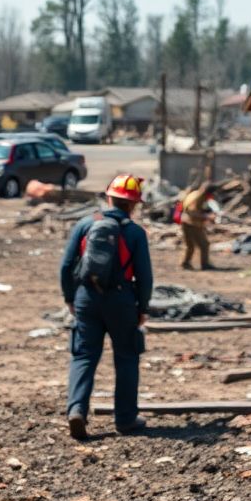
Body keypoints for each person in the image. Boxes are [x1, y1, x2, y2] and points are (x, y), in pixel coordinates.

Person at [59, 174, 153, 439]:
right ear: (133, 204)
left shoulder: (85, 225)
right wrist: (142, 307)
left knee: (84, 355)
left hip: (86, 298)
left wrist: (70, 298)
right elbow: (144, 275)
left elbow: (67, 265)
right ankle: (125, 419)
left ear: (108, 197)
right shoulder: (135, 233)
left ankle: (77, 409)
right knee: (126, 357)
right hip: (122, 301)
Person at [179, 182, 217, 270]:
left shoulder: (196, 193)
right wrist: (207, 216)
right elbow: (192, 213)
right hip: (191, 223)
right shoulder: (198, 197)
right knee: (203, 244)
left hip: (190, 222)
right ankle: (204, 264)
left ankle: (185, 263)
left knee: (191, 245)